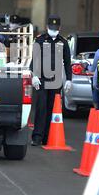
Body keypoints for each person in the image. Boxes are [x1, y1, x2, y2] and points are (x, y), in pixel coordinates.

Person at [30, 16, 72, 146]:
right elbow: (34, 60)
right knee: (41, 108)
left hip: (56, 80)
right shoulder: (40, 40)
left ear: (59, 28)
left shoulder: (63, 42)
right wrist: (34, 76)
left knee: (51, 108)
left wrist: (69, 80)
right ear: (47, 27)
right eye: (51, 28)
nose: (53, 30)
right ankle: (37, 137)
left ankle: (47, 137)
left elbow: (67, 63)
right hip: (41, 79)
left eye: (56, 28)